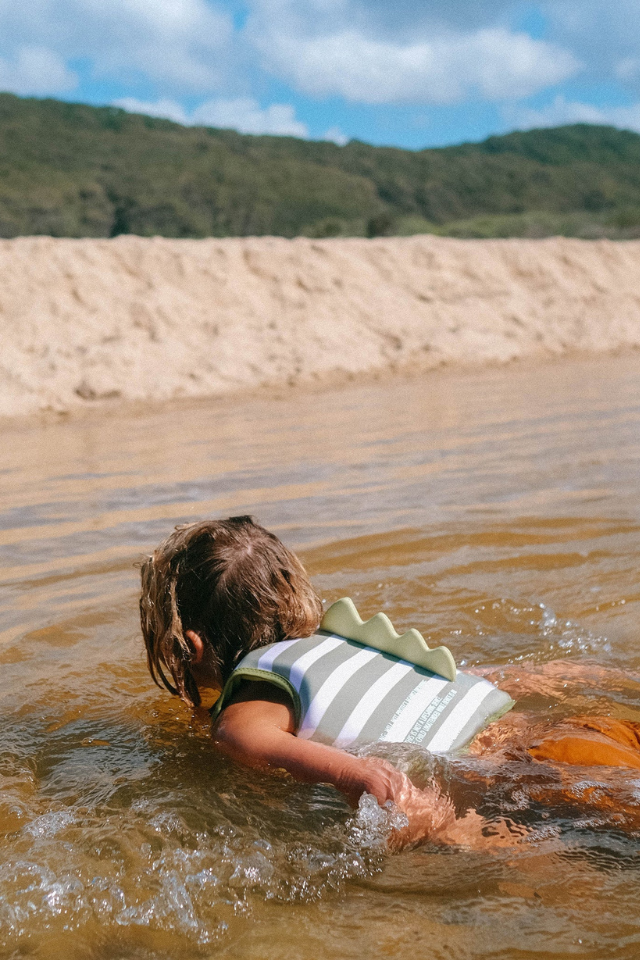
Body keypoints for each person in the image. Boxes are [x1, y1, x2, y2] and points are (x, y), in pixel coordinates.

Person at [139, 516, 640, 847]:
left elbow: (240, 737)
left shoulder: (255, 688)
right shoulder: (346, 646)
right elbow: (457, 678)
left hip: (491, 779)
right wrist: (566, 673)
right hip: (553, 733)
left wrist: (355, 775)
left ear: (194, 644)